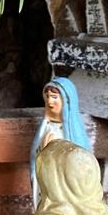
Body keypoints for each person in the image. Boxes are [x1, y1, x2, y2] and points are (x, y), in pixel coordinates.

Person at [29, 77, 91, 206]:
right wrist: (44, 148)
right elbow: (36, 155)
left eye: (54, 97)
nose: (49, 101)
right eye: (47, 97)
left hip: (65, 183)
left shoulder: (74, 132)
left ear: (66, 100)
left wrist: (54, 150)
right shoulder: (45, 127)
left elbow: (81, 161)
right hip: (46, 179)